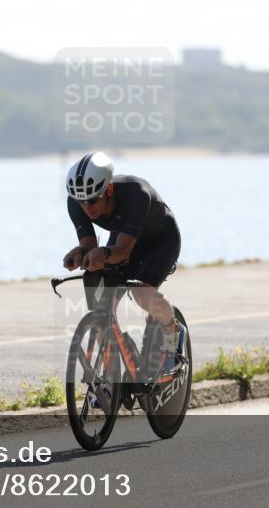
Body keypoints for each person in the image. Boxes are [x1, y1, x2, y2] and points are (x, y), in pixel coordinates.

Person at [61, 151, 186, 379]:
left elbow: (123, 252)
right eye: (81, 201)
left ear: (108, 190)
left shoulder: (136, 195)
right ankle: (112, 378)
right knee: (102, 305)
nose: (86, 207)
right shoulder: (77, 201)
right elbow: (89, 244)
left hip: (160, 240)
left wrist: (102, 254)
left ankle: (173, 336)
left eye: (92, 200)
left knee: (142, 294)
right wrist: (80, 253)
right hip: (124, 237)